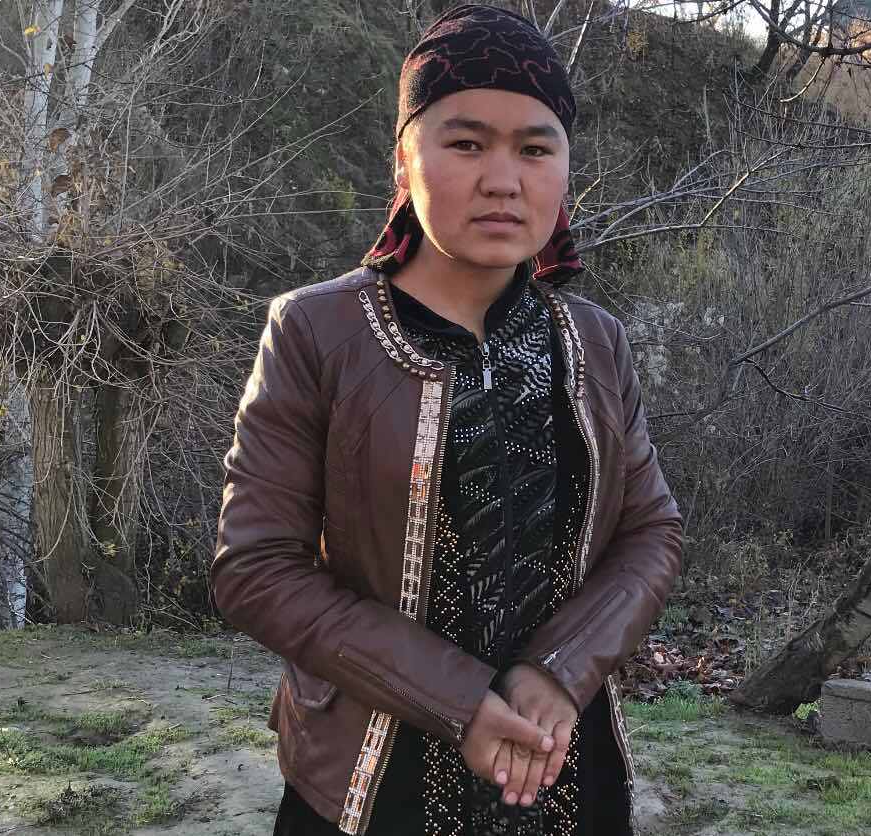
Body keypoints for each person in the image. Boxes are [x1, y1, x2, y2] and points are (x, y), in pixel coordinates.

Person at [210, 4, 683, 835]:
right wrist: (458, 700)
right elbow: (256, 568)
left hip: (562, 758)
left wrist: (557, 669)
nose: (503, 180)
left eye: (534, 149)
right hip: (368, 779)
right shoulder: (319, 331)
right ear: (403, 159)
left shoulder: (595, 341)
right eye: (466, 144)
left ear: (565, 170)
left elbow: (651, 532)